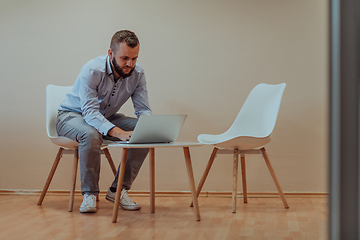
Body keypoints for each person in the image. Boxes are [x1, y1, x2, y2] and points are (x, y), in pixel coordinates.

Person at [56, 30, 151, 213]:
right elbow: (90, 113)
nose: (129, 64)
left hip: (105, 117)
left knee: (144, 132)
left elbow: (143, 110)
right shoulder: (92, 70)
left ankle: (118, 190)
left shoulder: (138, 74)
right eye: (124, 58)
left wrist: (149, 127)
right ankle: (90, 194)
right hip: (71, 116)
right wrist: (117, 132)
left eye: (134, 58)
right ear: (110, 53)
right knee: (91, 134)